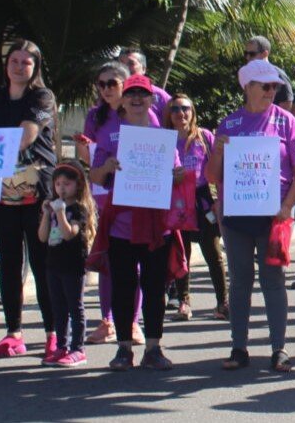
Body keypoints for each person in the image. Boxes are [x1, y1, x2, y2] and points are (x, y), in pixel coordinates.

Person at [206, 59, 295, 372]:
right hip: (237, 215)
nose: (271, 91)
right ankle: (239, 347)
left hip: (274, 215)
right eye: (265, 85)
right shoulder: (230, 124)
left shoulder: (286, 122)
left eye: (275, 86)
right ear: (247, 87)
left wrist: (287, 205)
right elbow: (212, 175)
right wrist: (220, 151)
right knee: (239, 281)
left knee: (273, 280)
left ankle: (279, 348)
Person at [0, 40, 58, 359]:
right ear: (6, 65)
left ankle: (53, 332)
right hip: (0, 189)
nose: (19, 67)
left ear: (35, 67)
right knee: (9, 263)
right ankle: (13, 332)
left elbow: (25, 137)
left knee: (43, 262)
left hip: (37, 190)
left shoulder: (42, 97)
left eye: (26, 62)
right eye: (14, 61)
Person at [90, 74, 179, 371]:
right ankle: (124, 349)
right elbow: (95, 177)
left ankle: (153, 347)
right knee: (123, 286)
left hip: (156, 223)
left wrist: (172, 172)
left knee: (155, 286)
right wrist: (107, 167)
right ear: (123, 100)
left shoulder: (163, 133)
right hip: (122, 223)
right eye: (132, 94)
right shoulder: (110, 132)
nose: (137, 99)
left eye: (143, 94)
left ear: (152, 99)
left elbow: (178, 173)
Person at [77, 62, 144, 345]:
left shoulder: (142, 112)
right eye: (101, 84)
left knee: (135, 263)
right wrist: (85, 154)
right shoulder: (95, 116)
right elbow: (90, 158)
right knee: (108, 260)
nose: (106, 90)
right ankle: (108, 321)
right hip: (106, 194)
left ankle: (133, 322)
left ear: (126, 84)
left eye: (112, 83)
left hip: (139, 193)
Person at [162, 94, 229, 321]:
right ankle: (183, 301)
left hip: (202, 199)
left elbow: (220, 171)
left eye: (185, 108)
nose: (181, 113)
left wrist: (219, 200)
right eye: (175, 109)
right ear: (169, 115)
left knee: (213, 253)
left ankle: (223, 302)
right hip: (177, 200)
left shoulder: (205, 137)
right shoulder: (165, 140)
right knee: (181, 253)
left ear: (193, 112)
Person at [39, 161, 96, 368]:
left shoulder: (78, 209)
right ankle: (61, 346)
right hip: (53, 263)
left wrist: (61, 212)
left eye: (67, 184)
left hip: (72, 264)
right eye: (58, 184)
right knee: (58, 308)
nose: (62, 189)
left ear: (77, 186)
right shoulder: (53, 207)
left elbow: (69, 234)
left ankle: (78, 348)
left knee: (75, 307)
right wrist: (47, 213)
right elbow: (43, 237)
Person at [243, 36, 294, 112]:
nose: (247, 57)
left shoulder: (278, 74)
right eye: (246, 53)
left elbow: (287, 104)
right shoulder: (249, 75)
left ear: (265, 54)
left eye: (252, 54)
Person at [118, 48, 171, 118]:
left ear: (143, 69)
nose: (125, 68)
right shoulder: (112, 93)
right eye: (121, 63)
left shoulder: (160, 96)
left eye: (131, 63)